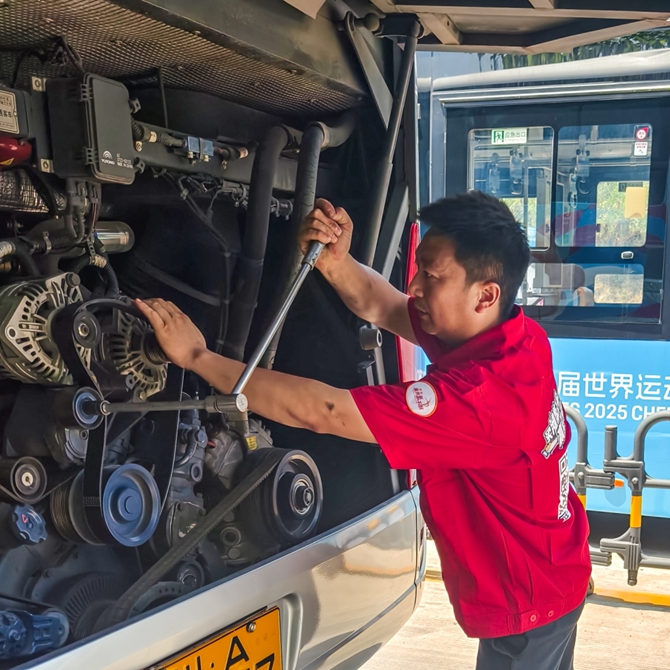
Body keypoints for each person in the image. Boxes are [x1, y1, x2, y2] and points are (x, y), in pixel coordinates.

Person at [136, 190, 591, 670]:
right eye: (418, 268)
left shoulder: (481, 403)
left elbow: (326, 411)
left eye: (432, 276)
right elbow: (385, 306)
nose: (414, 285)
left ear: (486, 294)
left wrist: (198, 358)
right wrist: (336, 262)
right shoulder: (512, 337)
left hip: (530, 605)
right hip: (557, 566)